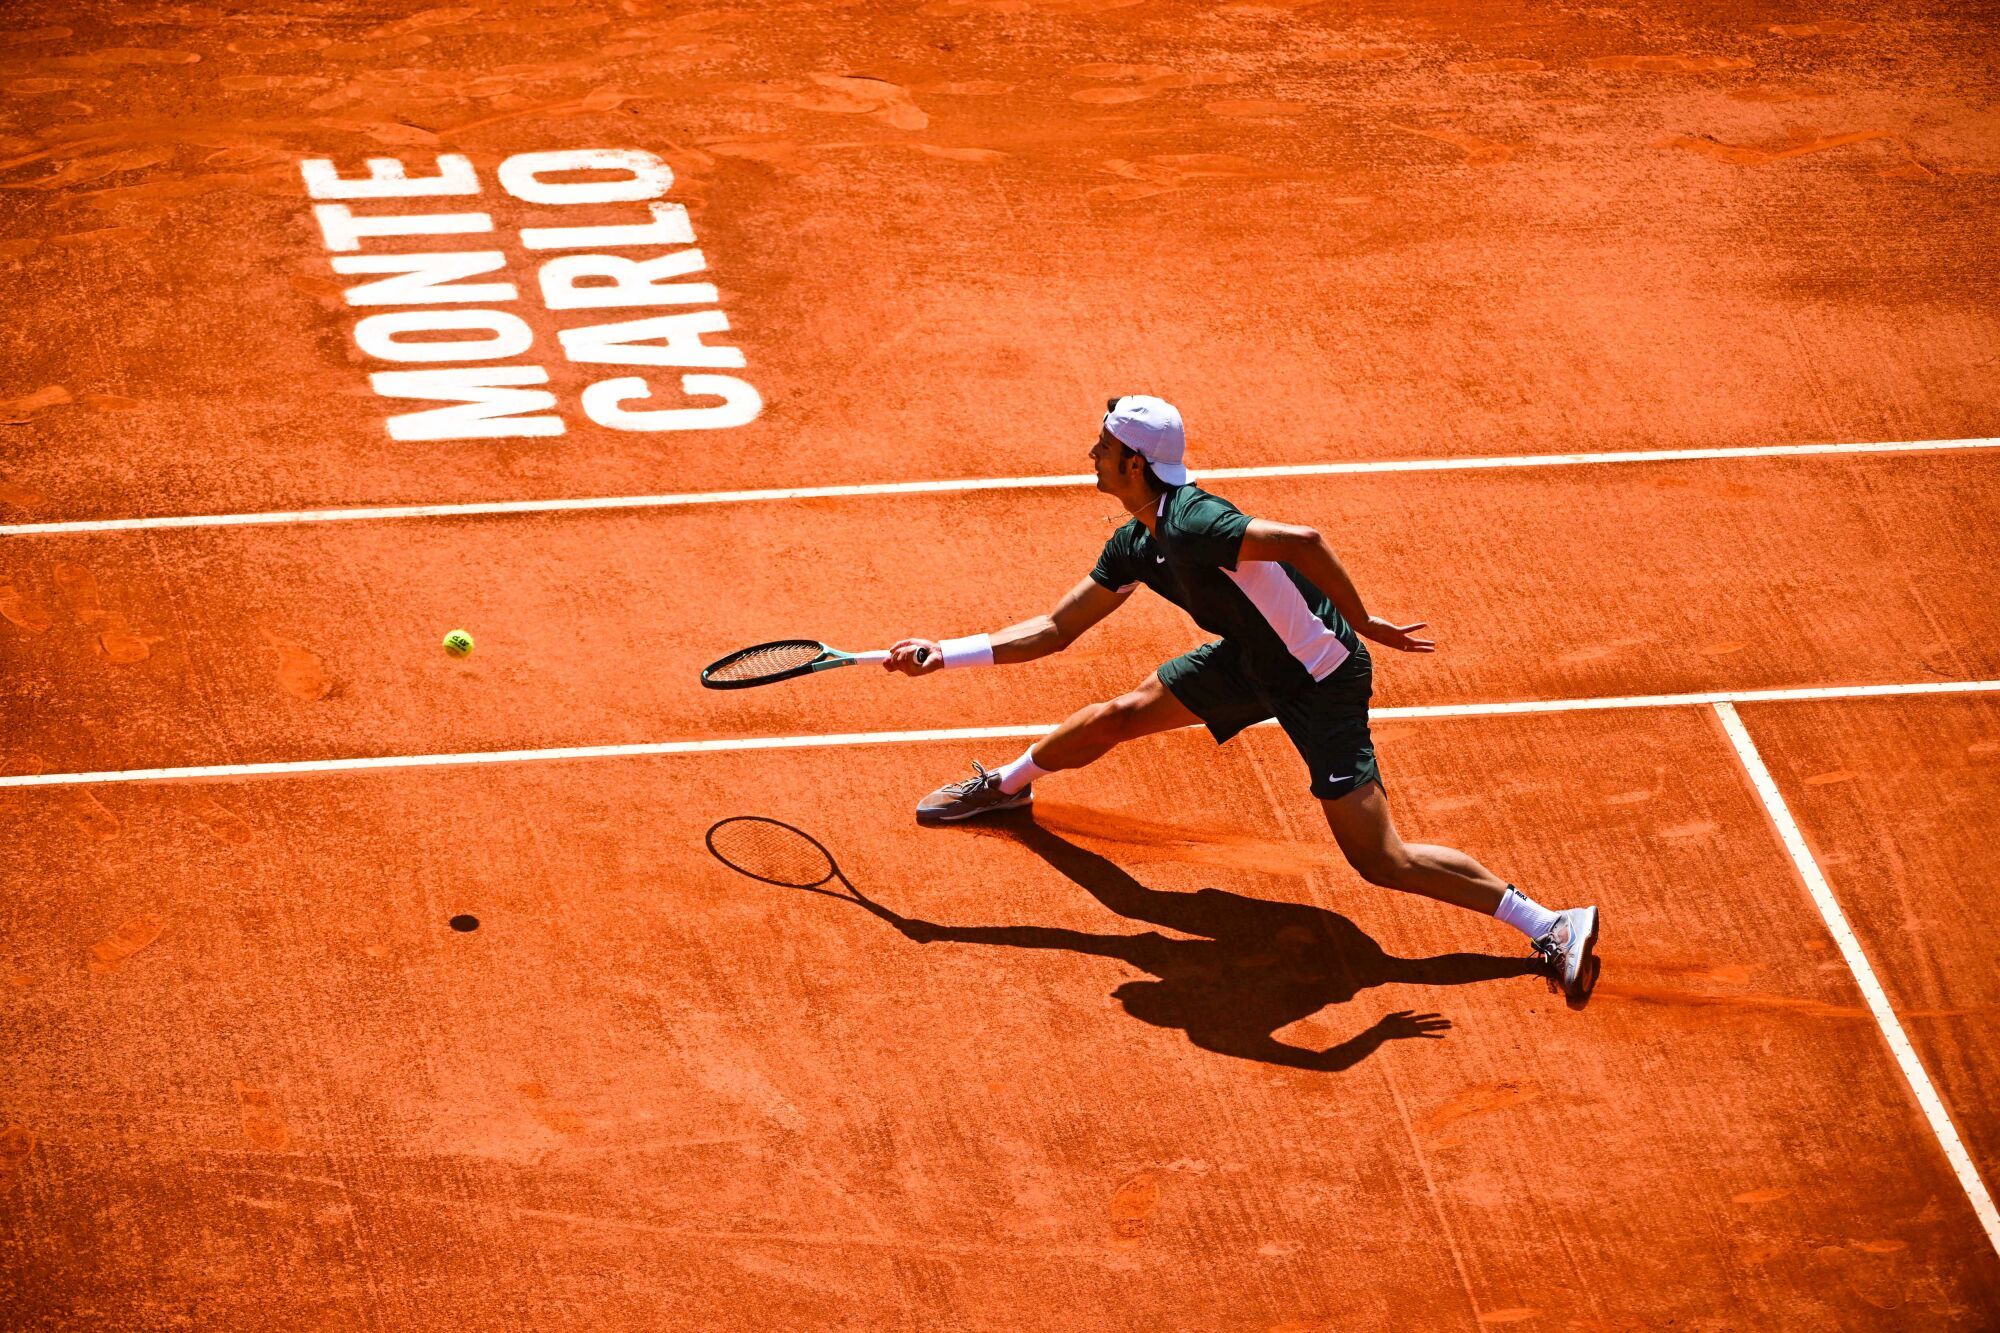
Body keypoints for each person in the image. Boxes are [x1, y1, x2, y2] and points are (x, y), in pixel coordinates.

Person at [883, 395, 1600, 1001]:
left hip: (1319, 679)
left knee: (1382, 859)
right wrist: (943, 652)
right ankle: (1007, 787)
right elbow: (1055, 628)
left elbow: (1303, 540)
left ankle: (1550, 923)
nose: (1091, 454)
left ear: (1135, 463)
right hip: (1251, 660)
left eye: (1103, 446)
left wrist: (1362, 619)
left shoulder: (1195, 522)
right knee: (1120, 716)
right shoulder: (1137, 542)